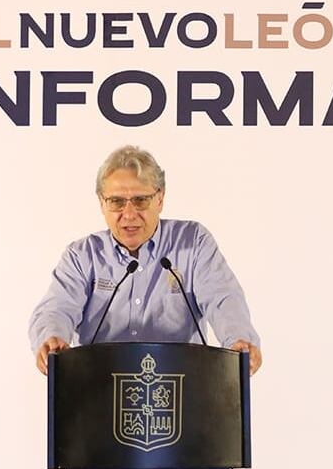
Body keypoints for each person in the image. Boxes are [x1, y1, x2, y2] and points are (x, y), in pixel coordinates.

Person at [30, 145, 263, 375]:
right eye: (117, 202)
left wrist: (238, 340)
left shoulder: (193, 243)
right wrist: (52, 337)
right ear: (102, 203)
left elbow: (223, 298)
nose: (129, 214)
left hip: (181, 388)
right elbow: (57, 308)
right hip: (98, 389)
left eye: (141, 200)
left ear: (159, 199)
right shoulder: (81, 256)